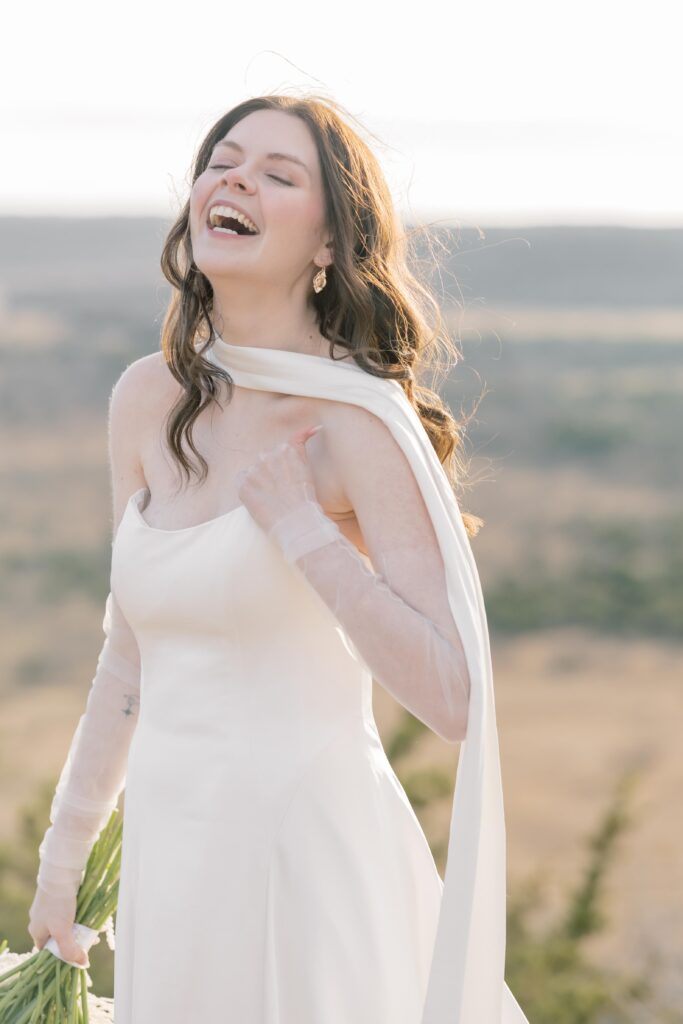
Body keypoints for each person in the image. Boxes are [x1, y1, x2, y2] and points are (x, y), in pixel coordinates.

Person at [28, 94, 529, 1022]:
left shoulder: (357, 423)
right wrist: (64, 863)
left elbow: (452, 698)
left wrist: (304, 532)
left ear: (329, 245)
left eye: (276, 172)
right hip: (173, 863)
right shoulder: (145, 398)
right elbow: (127, 659)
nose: (234, 178)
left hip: (308, 857)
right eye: (223, 159)